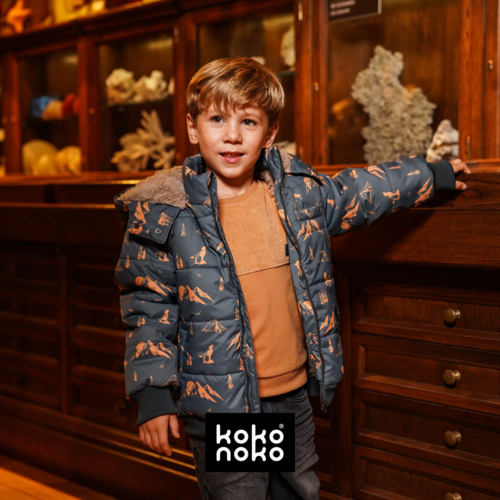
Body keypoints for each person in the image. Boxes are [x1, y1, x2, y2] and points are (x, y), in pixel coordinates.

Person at [113, 57, 471, 499]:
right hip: (226, 405)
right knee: (242, 494)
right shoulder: (167, 213)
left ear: (270, 133)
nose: (232, 135)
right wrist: (153, 395)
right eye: (217, 119)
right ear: (192, 127)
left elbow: (363, 190)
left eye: (248, 121)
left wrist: (434, 174)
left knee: (296, 491)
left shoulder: (297, 195)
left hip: (290, 394)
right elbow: (147, 309)